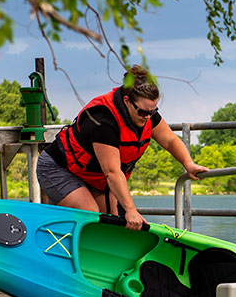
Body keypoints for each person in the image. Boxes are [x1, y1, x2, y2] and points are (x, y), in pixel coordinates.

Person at [37, 65, 208, 231]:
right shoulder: (103, 120)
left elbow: (170, 140)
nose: (148, 117)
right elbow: (112, 172)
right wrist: (131, 210)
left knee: (117, 223)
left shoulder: (146, 113)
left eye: (153, 111)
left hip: (95, 177)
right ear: (127, 101)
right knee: (91, 215)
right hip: (58, 168)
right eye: (143, 113)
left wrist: (189, 164)